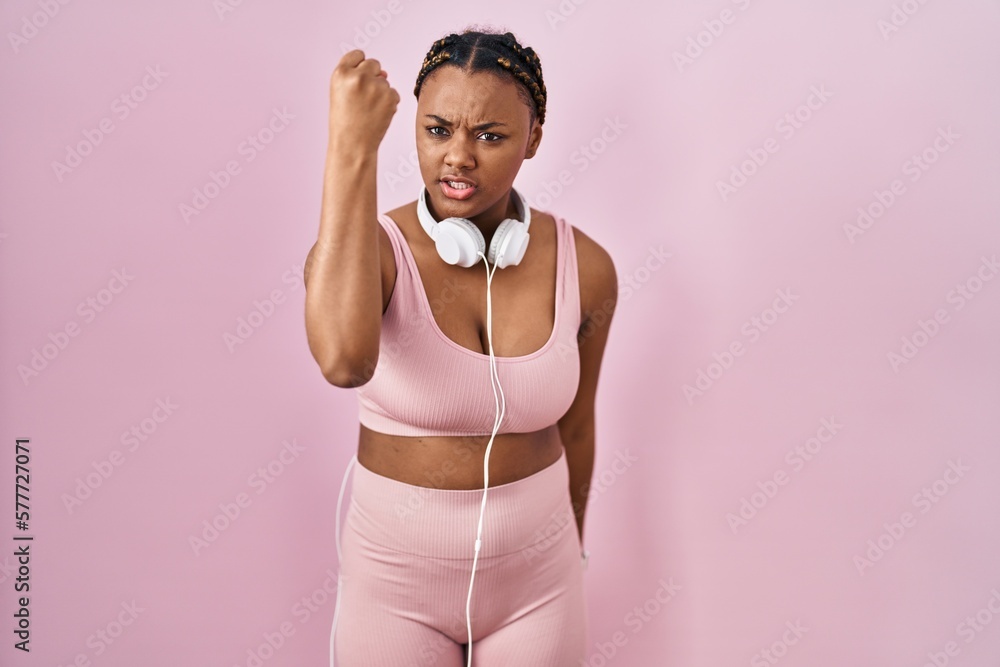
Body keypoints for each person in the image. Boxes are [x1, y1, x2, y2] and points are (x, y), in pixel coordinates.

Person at [304, 26, 617, 666]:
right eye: (437, 129)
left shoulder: (585, 267)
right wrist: (348, 150)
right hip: (395, 591)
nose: (458, 157)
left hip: (539, 587)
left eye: (491, 135)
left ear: (532, 138)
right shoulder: (372, 251)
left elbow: (578, 428)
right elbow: (342, 360)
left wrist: (571, 556)